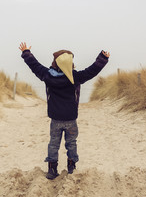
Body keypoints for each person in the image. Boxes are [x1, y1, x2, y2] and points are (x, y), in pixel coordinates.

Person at [19, 42, 110, 179]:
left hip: (55, 119)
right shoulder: (76, 77)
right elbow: (92, 70)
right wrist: (102, 58)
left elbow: (34, 65)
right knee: (71, 143)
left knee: (53, 143)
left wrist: (26, 52)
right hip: (71, 119)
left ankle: (52, 169)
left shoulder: (47, 75)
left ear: (55, 63)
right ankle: (72, 167)